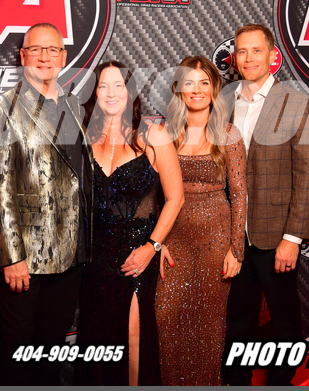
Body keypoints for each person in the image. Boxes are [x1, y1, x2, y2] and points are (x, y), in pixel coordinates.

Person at [0, 22, 92, 385]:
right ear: (22, 55)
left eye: (53, 49)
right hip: (26, 257)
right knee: (15, 353)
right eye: (36, 49)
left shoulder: (74, 105)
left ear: (64, 56)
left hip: (71, 253)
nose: (45, 57)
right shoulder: (2, 106)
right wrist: (12, 256)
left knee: (51, 351)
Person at [221, 24, 309, 386]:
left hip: (277, 235)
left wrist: (292, 239)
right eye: (242, 51)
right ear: (234, 58)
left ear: (272, 56)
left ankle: (281, 381)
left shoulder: (298, 104)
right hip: (234, 237)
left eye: (256, 50)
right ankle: (236, 380)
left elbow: (308, 176)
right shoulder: (224, 102)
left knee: (284, 319)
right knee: (238, 318)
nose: (248, 58)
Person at [75, 61, 184, 386]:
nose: (111, 93)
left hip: (136, 255)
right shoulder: (83, 138)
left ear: (131, 91)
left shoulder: (153, 135)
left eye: (119, 85)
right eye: (103, 86)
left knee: (134, 335)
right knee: (97, 341)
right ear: (95, 92)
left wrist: (153, 246)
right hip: (95, 258)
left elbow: (175, 198)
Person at [154, 56, 247, 385]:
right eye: (189, 83)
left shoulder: (228, 134)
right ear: (178, 89)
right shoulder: (165, 133)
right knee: (167, 316)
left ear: (214, 88)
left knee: (208, 324)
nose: (197, 90)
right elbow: (152, 194)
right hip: (174, 237)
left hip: (215, 240)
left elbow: (239, 194)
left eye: (204, 83)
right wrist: (157, 242)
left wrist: (236, 250)